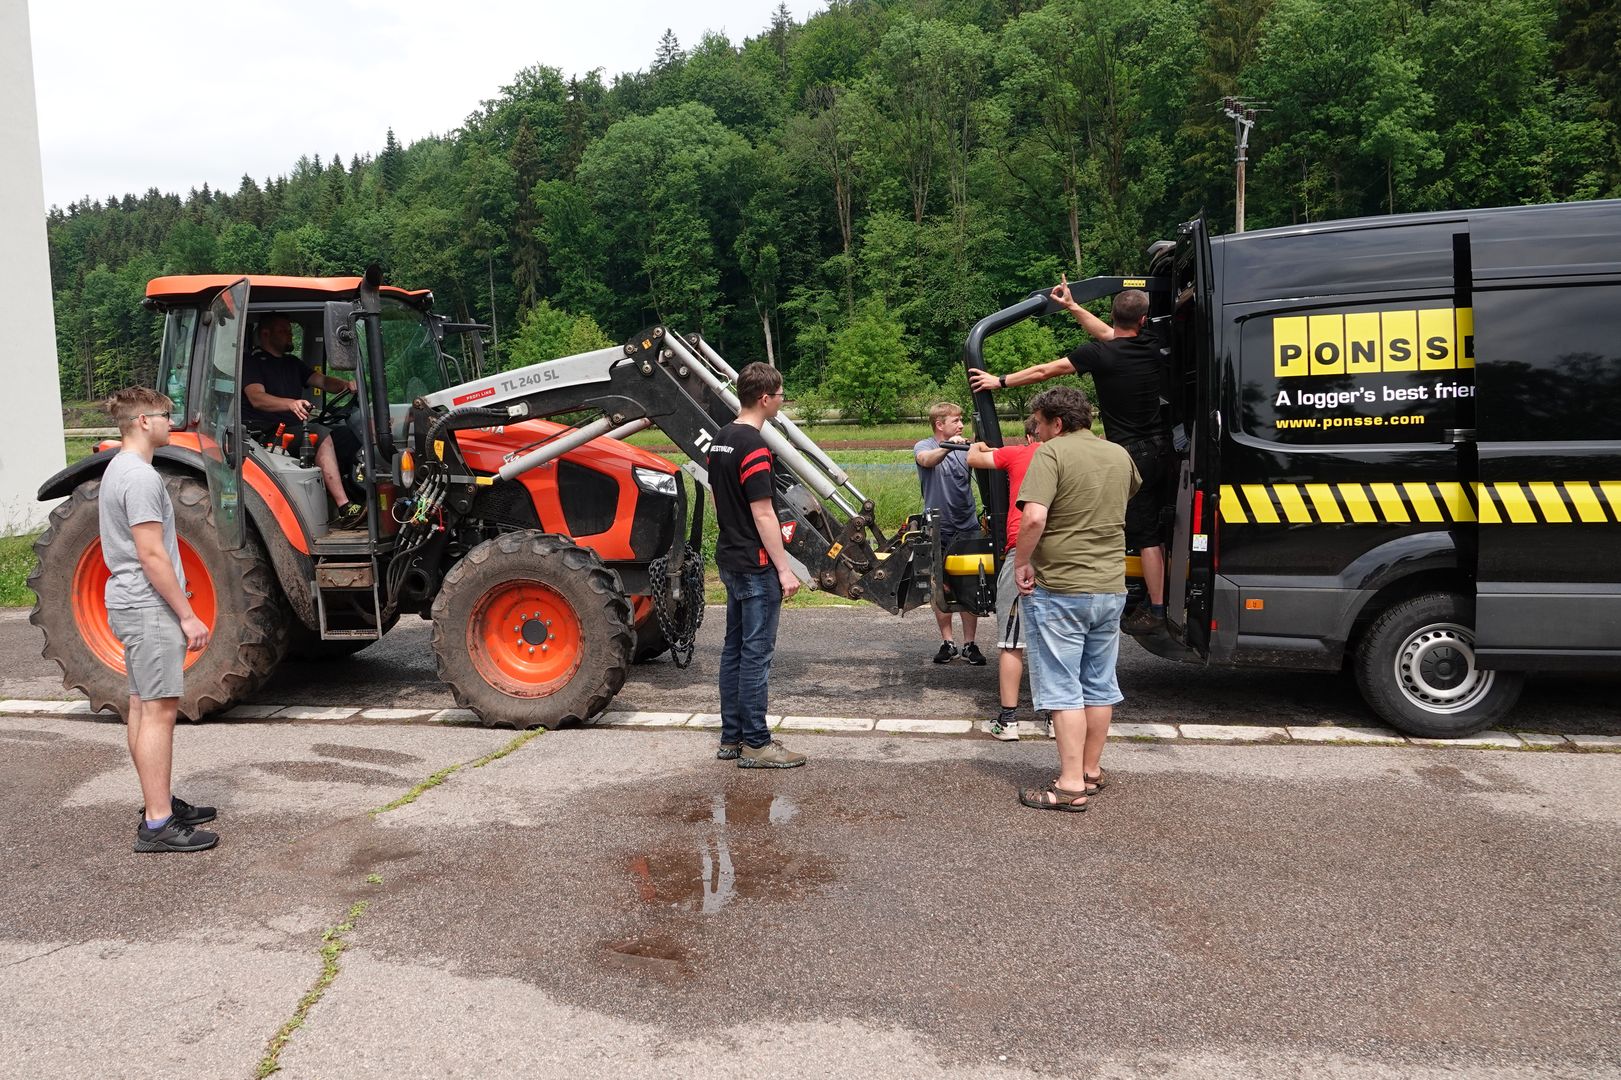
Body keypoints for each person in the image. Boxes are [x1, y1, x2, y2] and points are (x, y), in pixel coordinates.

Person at [967, 279, 1172, 634]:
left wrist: (998, 381)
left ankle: (1156, 608)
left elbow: (1045, 371)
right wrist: (1074, 307)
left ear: (1114, 315)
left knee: (1139, 533)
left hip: (1129, 454)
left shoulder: (1098, 355)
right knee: (1152, 530)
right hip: (1160, 448)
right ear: (1142, 321)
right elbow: (1113, 332)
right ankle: (1146, 596)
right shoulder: (1151, 346)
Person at [99, 388, 219, 852]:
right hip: (148, 606)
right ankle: (157, 823)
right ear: (144, 422)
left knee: (141, 705)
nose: (174, 423)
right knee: (158, 711)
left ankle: (157, 800)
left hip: (129, 601)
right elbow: (152, 554)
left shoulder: (118, 469)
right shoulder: (142, 478)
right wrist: (187, 615)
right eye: (168, 416)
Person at [1012, 385, 1140, 812]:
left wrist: (1022, 562)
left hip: (1062, 588)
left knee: (1063, 687)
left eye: (1041, 424)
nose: (1039, 432)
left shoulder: (1052, 453)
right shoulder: (1117, 454)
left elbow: (1034, 516)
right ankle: (1090, 770)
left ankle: (1068, 786)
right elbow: (1126, 496)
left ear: (1058, 422)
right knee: (1099, 684)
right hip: (1110, 586)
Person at [708, 362, 807, 769]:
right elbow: (765, 514)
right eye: (782, 395)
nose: (782, 402)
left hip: (730, 559)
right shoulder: (753, 446)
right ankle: (756, 743)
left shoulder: (721, 440)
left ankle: (732, 737)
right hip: (756, 563)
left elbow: (716, 498)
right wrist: (784, 570)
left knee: (734, 651)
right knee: (756, 656)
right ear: (765, 399)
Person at [966, 415, 1049, 740]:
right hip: (1061, 556)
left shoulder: (1018, 454)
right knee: (1051, 641)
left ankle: (1008, 719)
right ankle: (1056, 719)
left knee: (1012, 641)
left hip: (1022, 551)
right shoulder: (1072, 458)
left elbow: (975, 457)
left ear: (1030, 436)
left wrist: (981, 444)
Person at [243, 314, 366, 529]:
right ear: (265, 334)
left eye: (291, 330)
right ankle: (344, 507)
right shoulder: (251, 363)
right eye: (284, 331)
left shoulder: (292, 363)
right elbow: (257, 398)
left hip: (296, 428)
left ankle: (357, 494)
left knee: (347, 435)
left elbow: (322, 381)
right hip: (268, 434)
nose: (290, 335)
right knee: (320, 434)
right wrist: (291, 404)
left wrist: (346, 384)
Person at [913, 402, 984, 665]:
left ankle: (970, 645)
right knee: (939, 587)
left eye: (962, 420)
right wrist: (949, 446)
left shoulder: (966, 447)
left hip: (967, 526)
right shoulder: (925, 446)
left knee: (970, 585)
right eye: (956, 420)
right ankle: (948, 643)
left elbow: (987, 456)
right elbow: (926, 461)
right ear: (939, 424)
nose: (961, 425)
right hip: (938, 529)